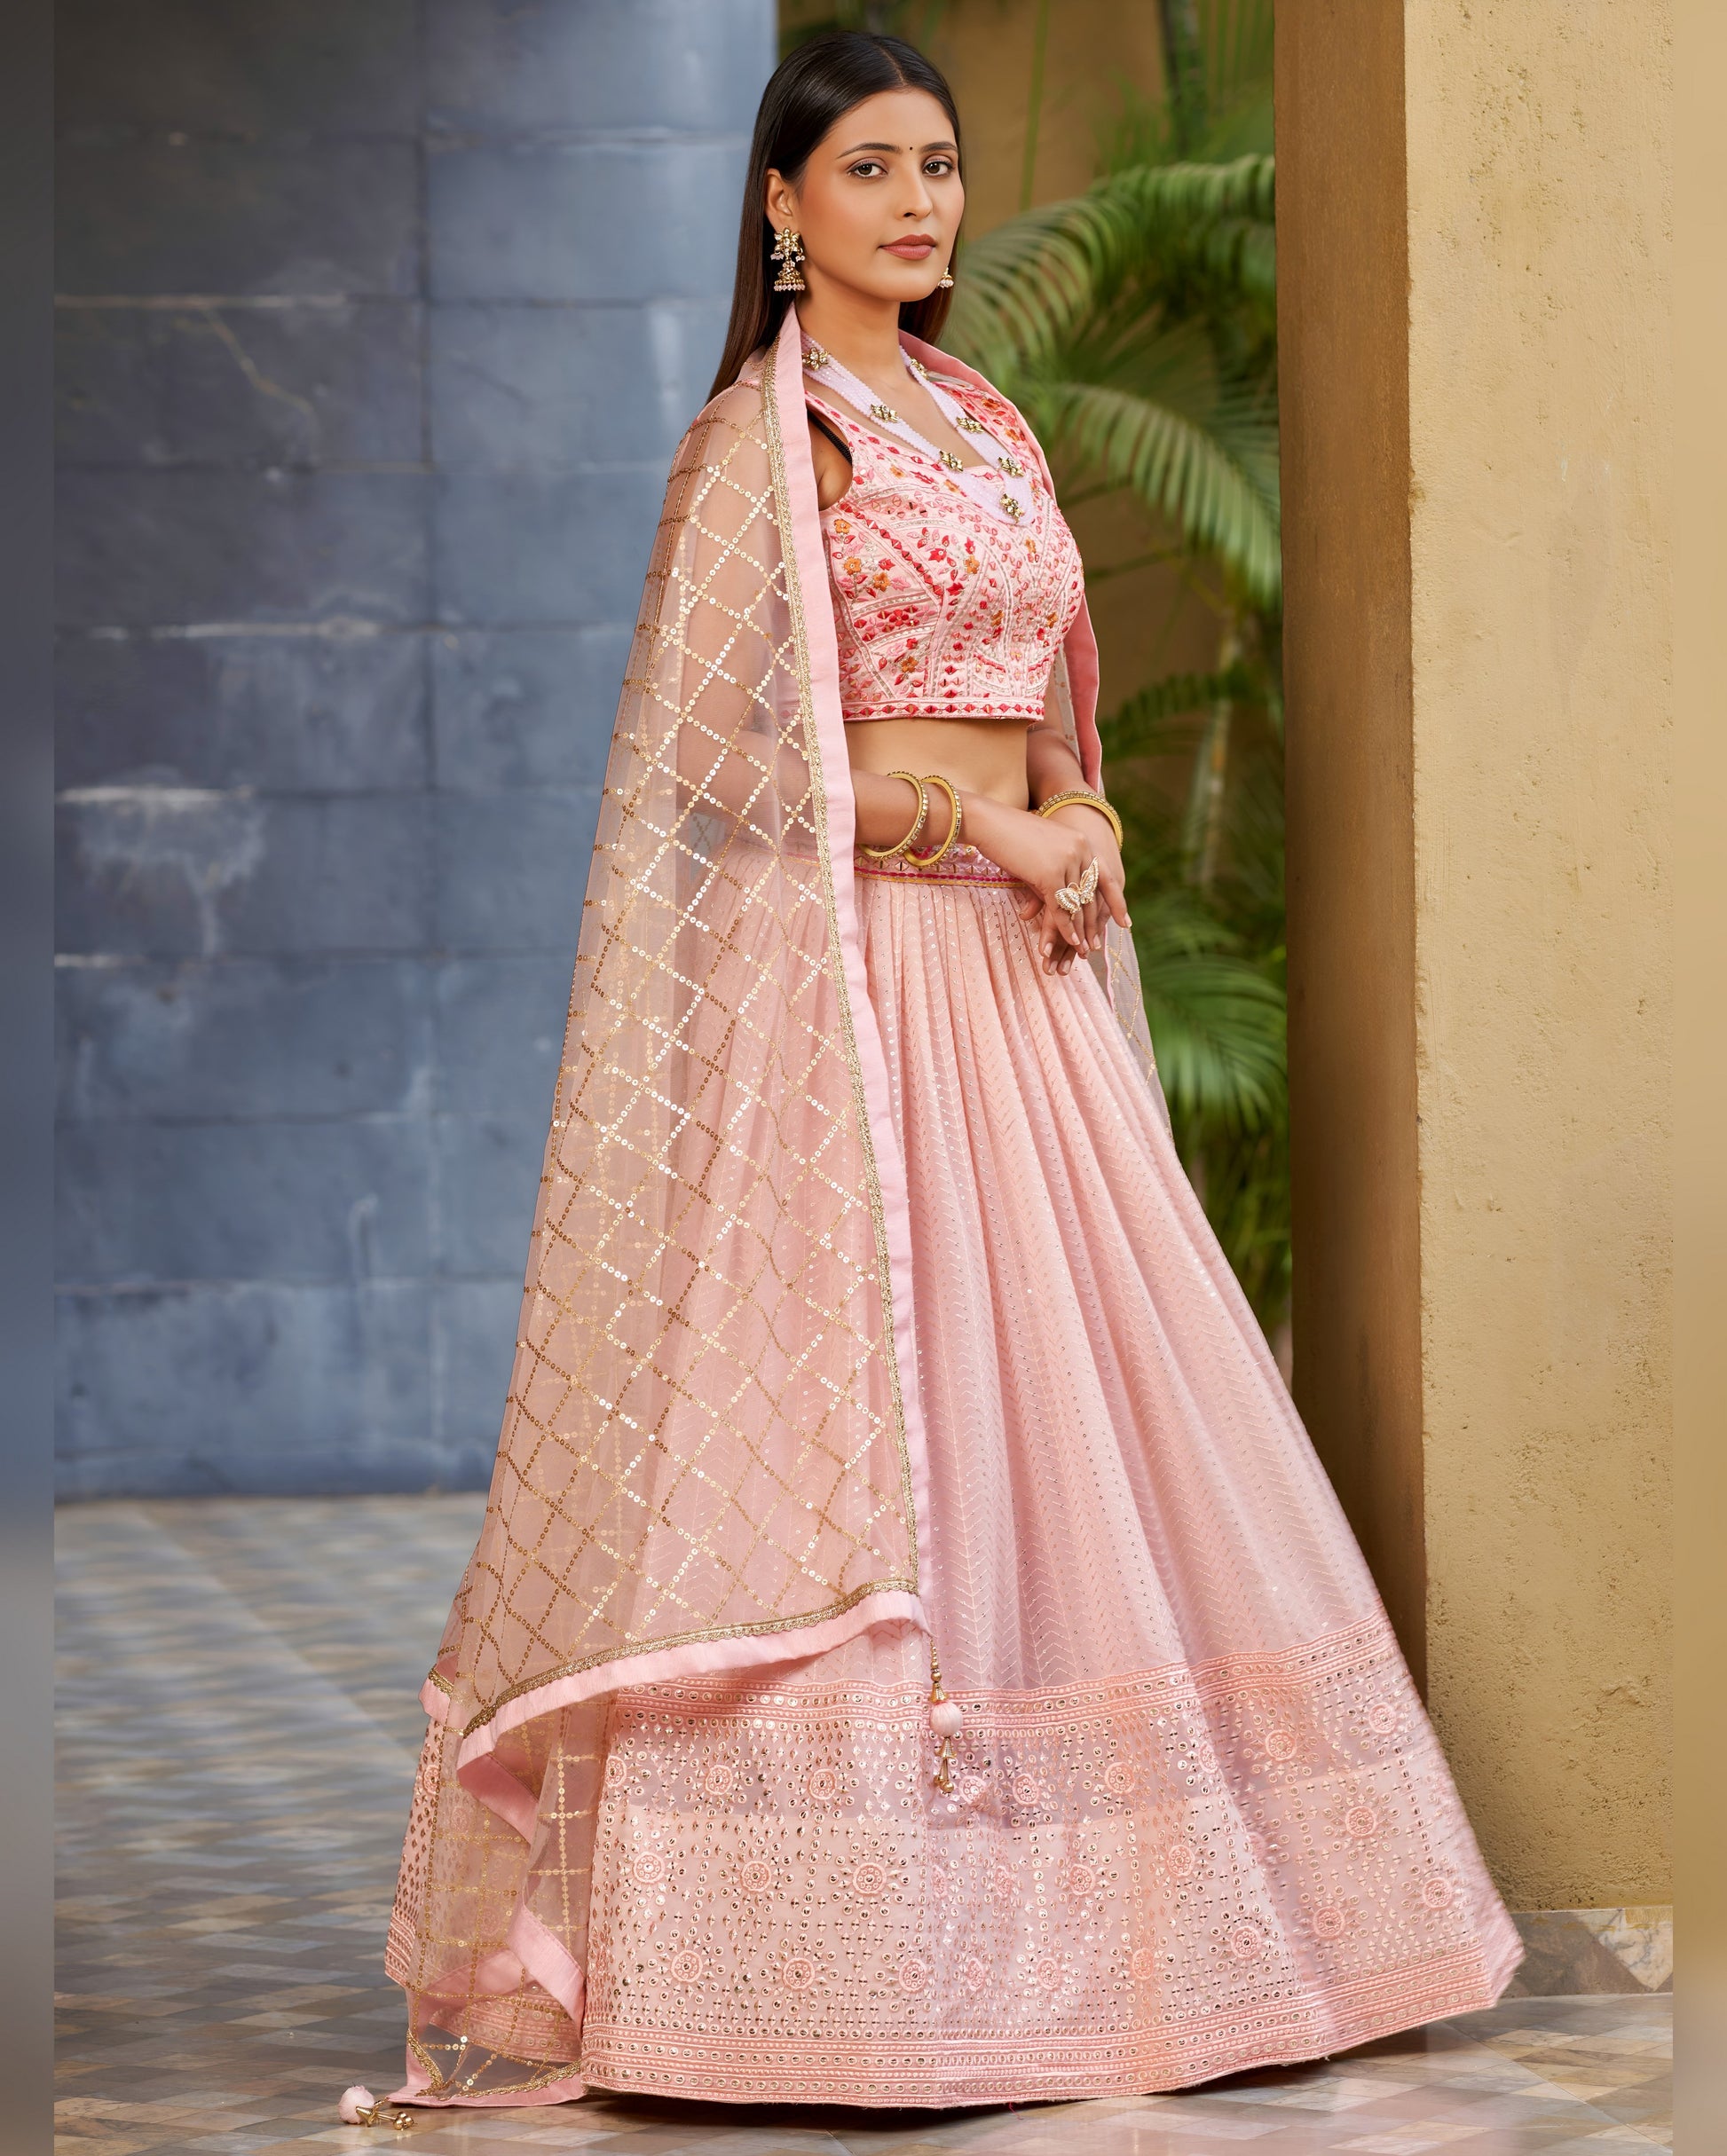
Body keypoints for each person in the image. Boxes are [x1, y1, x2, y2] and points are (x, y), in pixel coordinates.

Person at [378, 30, 1520, 2112]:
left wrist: (1071, 812)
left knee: (1089, 1410)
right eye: (872, 169)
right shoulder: (764, 441)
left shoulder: (983, 423)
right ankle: (833, 1970)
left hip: (1025, 981)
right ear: (779, 203)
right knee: (882, 1422)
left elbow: (1035, 677)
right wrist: (960, 835)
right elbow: (708, 760)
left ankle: (1196, 1942)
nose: (918, 203)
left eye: (940, 168)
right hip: (869, 996)